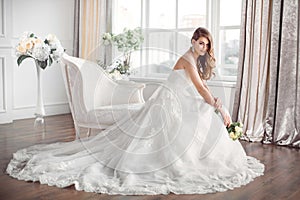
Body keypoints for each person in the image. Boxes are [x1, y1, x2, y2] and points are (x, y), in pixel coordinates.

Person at [6, 27, 264, 195]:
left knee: (202, 115)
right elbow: (198, 87)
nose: (203, 48)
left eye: (206, 45)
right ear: (193, 42)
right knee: (196, 118)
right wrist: (219, 107)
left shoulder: (195, 59)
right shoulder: (187, 58)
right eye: (200, 43)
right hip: (169, 103)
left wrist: (215, 102)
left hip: (178, 100)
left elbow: (202, 86)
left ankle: (203, 158)